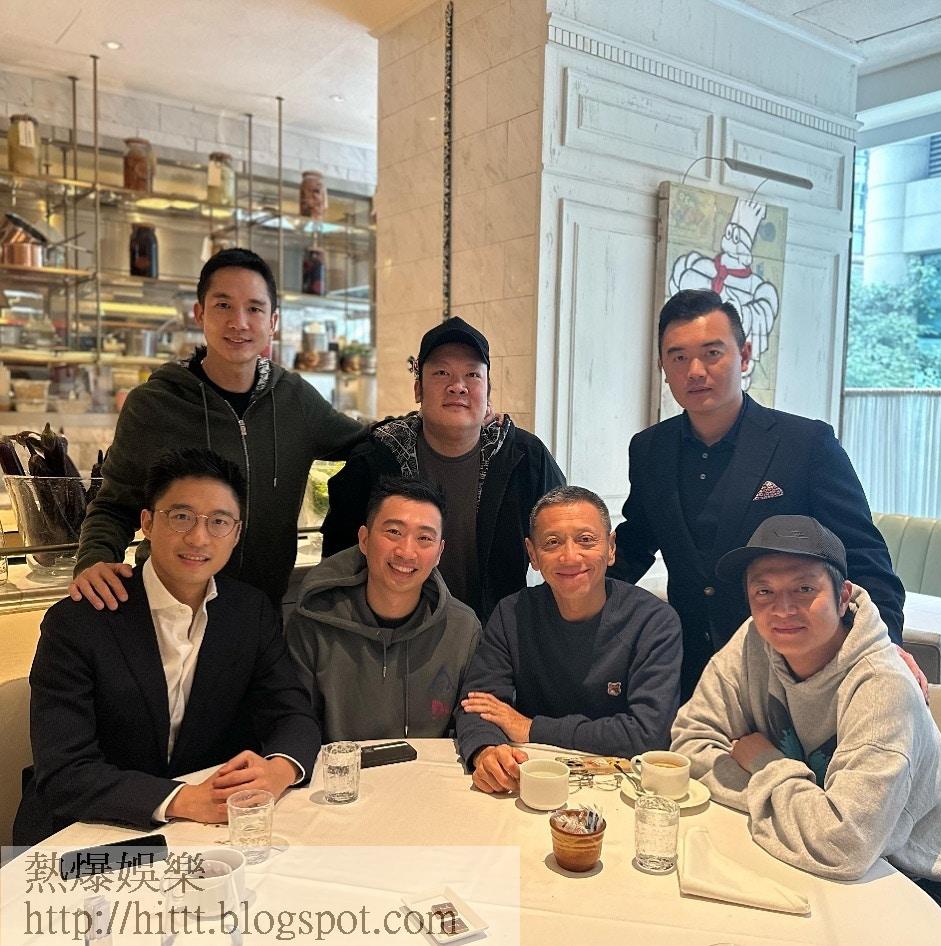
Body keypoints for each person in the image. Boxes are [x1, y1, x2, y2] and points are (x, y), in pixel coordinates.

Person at [610, 288, 905, 699]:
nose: (695, 371)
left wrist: (886, 649)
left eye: (712, 353)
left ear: (745, 355)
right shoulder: (649, 448)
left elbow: (863, 555)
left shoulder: (805, 443)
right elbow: (637, 542)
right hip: (690, 666)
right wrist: (570, 592)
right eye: (678, 357)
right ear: (663, 366)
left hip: (791, 663)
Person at [14, 448, 320, 845]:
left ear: (236, 533)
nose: (198, 537)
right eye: (181, 516)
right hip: (88, 831)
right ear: (147, 523)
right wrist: (184, 800)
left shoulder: (249, 612)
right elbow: (65, 771)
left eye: (219, 522)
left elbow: (292, 715)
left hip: (203, 833)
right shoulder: (81, 620)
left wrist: (278, 771)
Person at [671, 515, 941, 909]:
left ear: (843, 595)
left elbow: (845, 845)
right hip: (808, 859)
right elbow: (689, 743)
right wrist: (808, 811)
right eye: (764, 591)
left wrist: (765, 763)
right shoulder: (754, 639)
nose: (782, 609)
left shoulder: (882, 686)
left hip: (912, 880)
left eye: (804, 589)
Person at [72, 247, 365, 611]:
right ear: (200, 313)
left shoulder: (296, 399)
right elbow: (114, 506)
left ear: (273, 321)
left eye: (254, 308)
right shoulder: (155, 404)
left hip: (260, 613)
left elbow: (366, 442)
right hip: (169, 610)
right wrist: (94, 560)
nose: (239, 322)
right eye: (223, 305)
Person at [320, 316, 565, 623]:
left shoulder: (524, 457)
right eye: (441, 373)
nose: (457, 387)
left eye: (472, 375)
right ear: (418, 389)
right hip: (394, 637)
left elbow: (565, 538)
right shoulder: (375, 460)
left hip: (497, 637)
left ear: (488, 391)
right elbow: (337, 564)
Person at [456, 485, 682, 795]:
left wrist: (529, 727)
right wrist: (486, 751)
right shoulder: (513, 613)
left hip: (624, 787)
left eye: (586, 540)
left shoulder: (653, 621)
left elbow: (648, 734)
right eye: (552, 542)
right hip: (534, 777)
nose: (570, 556)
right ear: (533, 555)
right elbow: (479, 704)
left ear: (611, 548)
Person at [286, 477, 481, 741]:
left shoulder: (463, 629)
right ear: (364, 539)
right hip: (339, 766)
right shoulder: (313, 621)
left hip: (428, 766)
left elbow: (472, 719)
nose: (406, 552)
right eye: (394, 532)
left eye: (424, 538)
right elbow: (294, 721)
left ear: (439, 552)